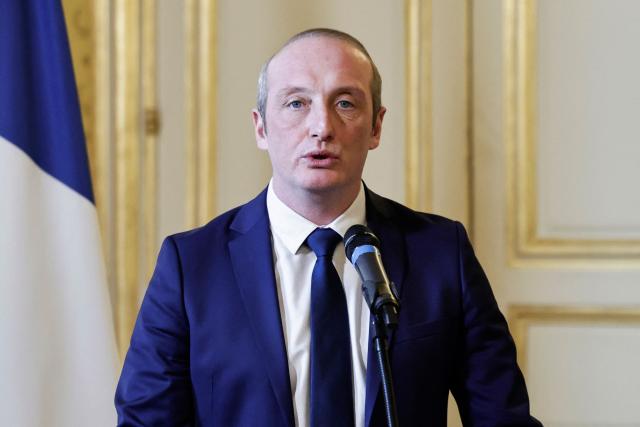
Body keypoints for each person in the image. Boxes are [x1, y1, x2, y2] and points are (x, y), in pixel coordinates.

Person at [115, 28, 541, 427]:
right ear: (261, 127)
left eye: (345, 103)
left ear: (376, 126)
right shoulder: (191, 265)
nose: (321, 128)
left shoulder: (441, 253)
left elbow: (503, 419)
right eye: (296, 103)